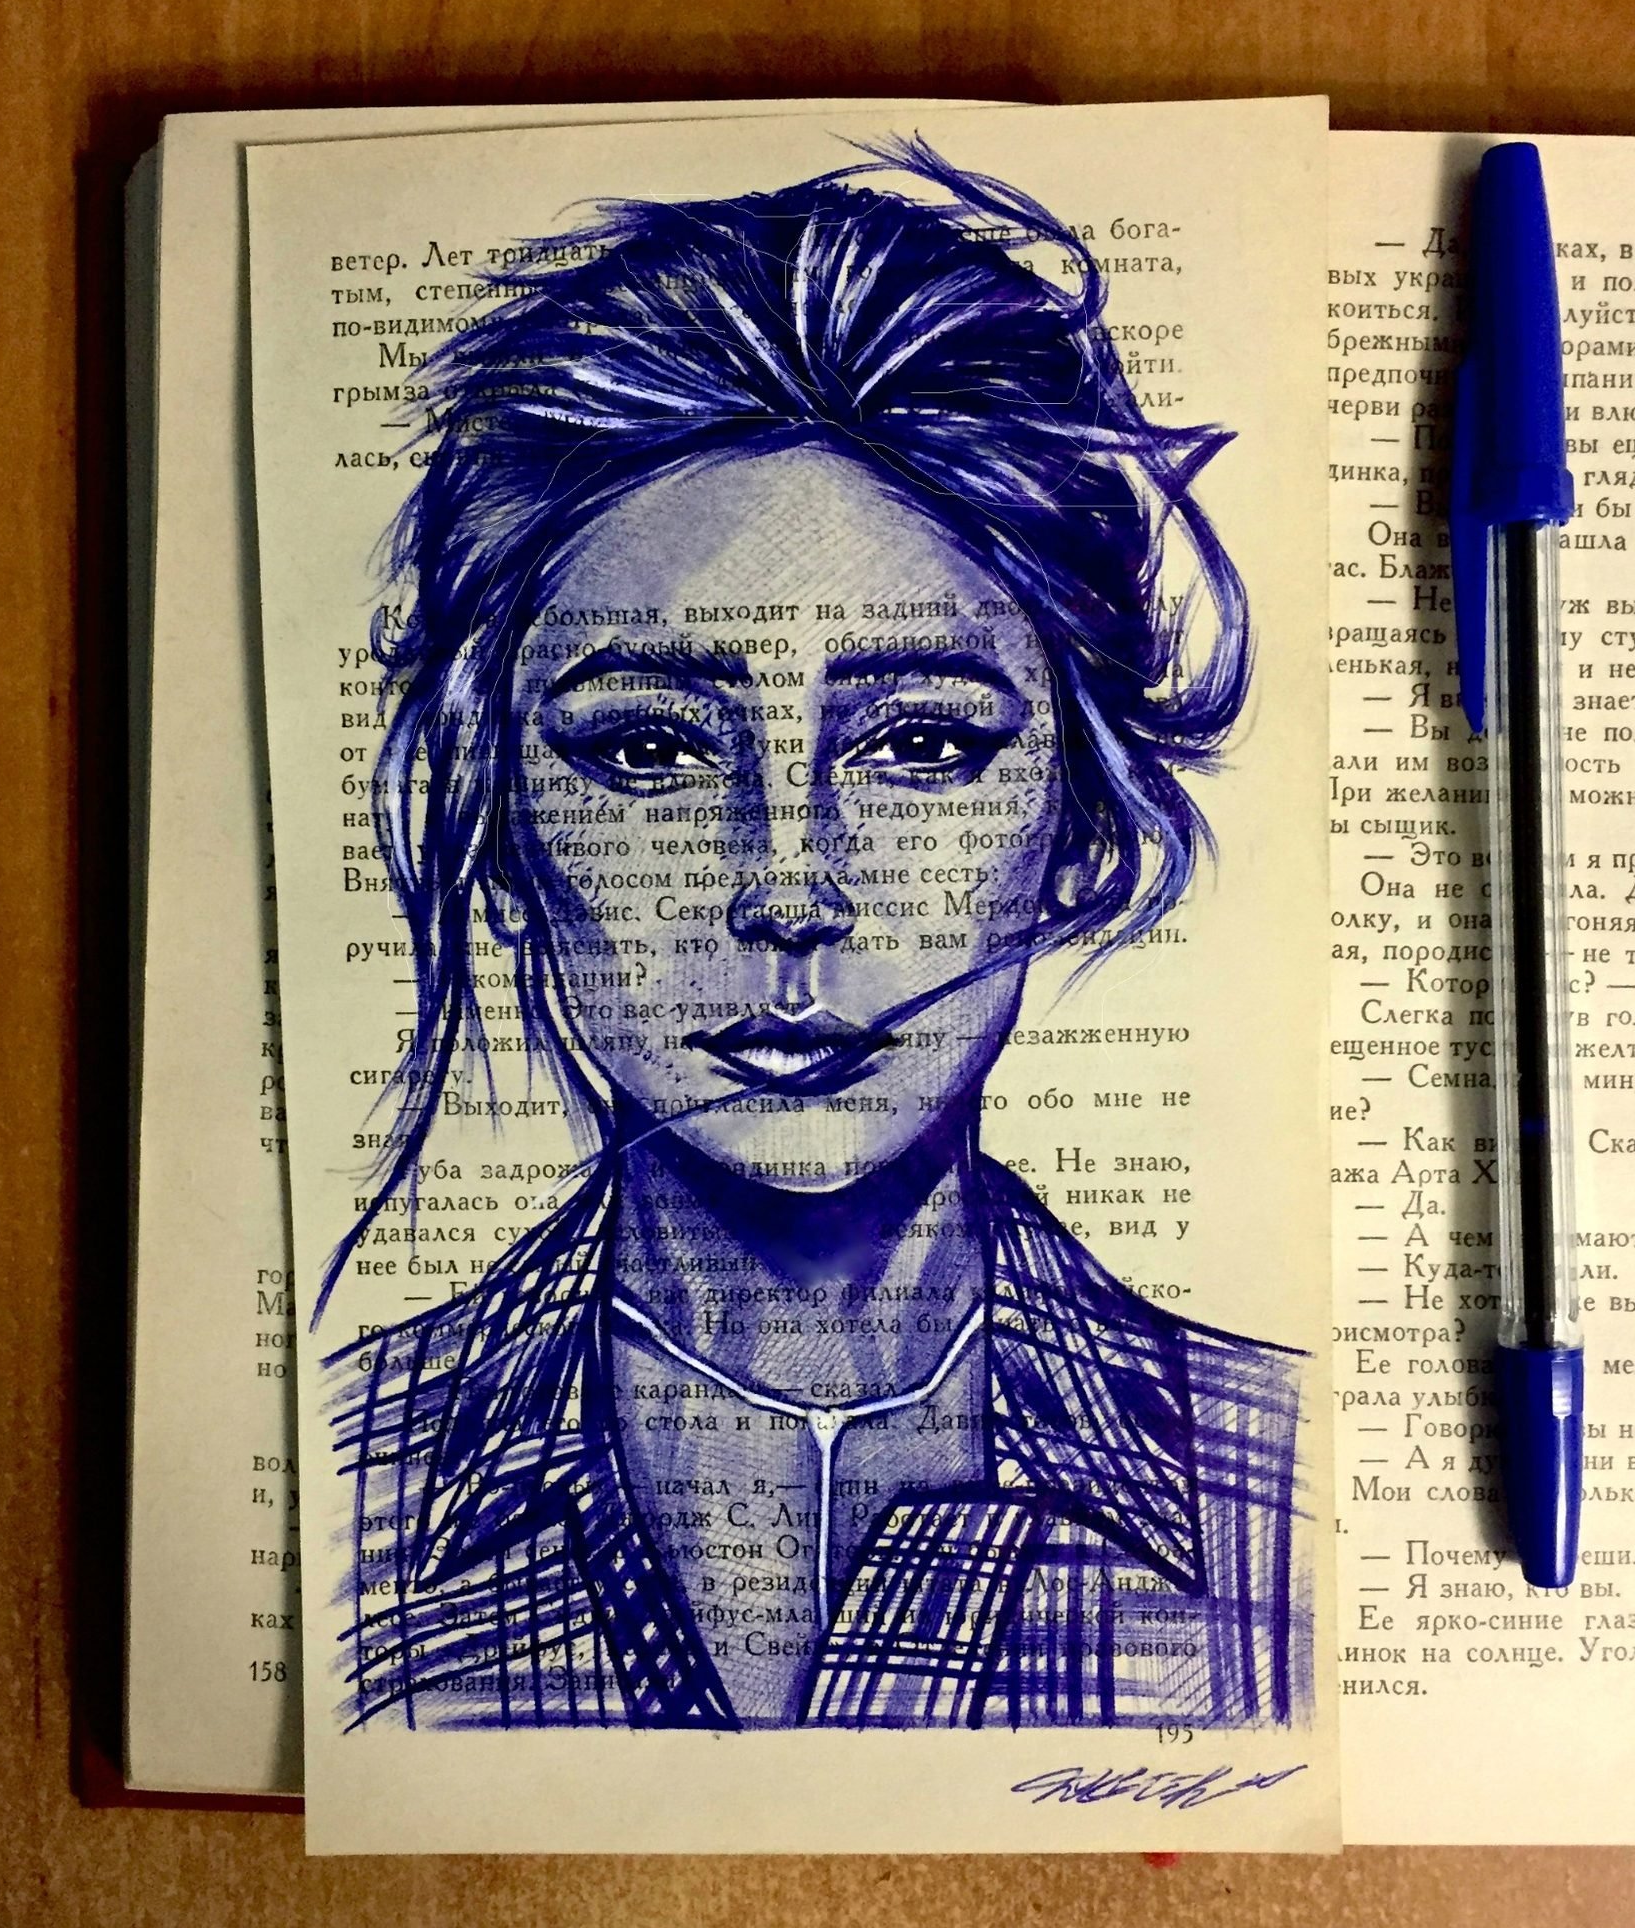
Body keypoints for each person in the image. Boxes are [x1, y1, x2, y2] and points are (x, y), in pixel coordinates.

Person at [322, 141, 1307, 1733]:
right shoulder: (324, 1488)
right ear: (497, 827)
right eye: (649, 748)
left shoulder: (1291, 1493)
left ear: (1082, 823)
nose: (790, 888)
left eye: (921, 744)